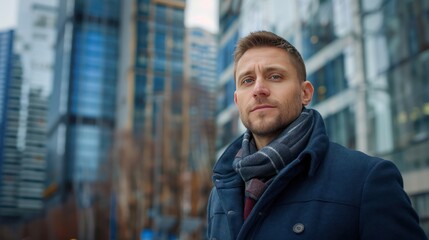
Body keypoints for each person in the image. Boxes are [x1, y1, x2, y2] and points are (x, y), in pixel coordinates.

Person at [206, 30, 427, 240]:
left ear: (305, 93)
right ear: (237, 101)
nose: (259, 89)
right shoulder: (220, 194)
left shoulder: (366, 180)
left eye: (274, 76)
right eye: (247, 81)